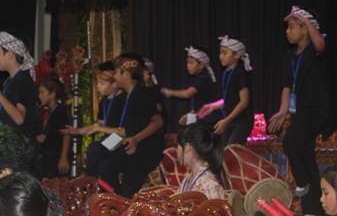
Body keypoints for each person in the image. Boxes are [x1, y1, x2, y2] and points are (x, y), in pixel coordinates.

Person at [267, 6, 329, 216]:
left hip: (315, 109)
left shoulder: (314, 51)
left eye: (292, 27)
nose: (287, 31)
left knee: (291, 139)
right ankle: (315, 207)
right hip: (300, 110)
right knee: (305, 152)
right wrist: (282, 111)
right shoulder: (289, 56)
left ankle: (302, 182)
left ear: (305, 29)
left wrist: (305, 19)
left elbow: (320, 43)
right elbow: (287, 86)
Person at [98, 53, 164, 198]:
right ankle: (120, 203)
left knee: (106, 167)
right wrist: (123, 140)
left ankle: (118, 202)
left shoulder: (141, 94)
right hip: (134, 148)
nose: (114, 77)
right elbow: (135, 127)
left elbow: (158, 121)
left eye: (116, 73)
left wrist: (136, 139)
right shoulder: (128, 96)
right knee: (125, 188)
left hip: (146, 150)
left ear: (126, 74)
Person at [62, 61, 127, 178]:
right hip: (110, 138)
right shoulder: (104, 101)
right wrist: (78, 131)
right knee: (94, 150)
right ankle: (93, 181)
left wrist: (100, 128)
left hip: (123, 137)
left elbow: (124, 128)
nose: (98, 87)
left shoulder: (123, 99)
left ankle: (90, 180)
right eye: (98, 83)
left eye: (102, 84)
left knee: (94, 149)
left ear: (113, 85)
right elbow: (99, 125)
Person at [197, 35, 254, 145]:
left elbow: (244, 102)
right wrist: (212, 106)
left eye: (224, 53)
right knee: (223, 152)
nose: (221, 56)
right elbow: (228, 99)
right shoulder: (226, 73)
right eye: (220, 53)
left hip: (242, 122)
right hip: (230, 120)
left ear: (236, 55)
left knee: (231, 150)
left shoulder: (241, 72)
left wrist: (226, 121)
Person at [0, 31, 39, 142]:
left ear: (10, 54)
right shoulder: (10, 81)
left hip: (21, 147)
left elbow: (19, 119)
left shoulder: (22, 80)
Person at [161, 46, 220, 127]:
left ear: (201, 65)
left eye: (192, 62)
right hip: (203, 118)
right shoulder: (200, 77)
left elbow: (187, 94)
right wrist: (190, 116)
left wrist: (169, 92)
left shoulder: (203, 78)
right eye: (187, 62)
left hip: (209, 120)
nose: (188, 66)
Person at [33, 78, 71, 179]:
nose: (39, 96)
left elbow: (66, 134)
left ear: (52, 94)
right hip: (49, 155)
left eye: (42, 93)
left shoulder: (60, 112)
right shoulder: (49, 112)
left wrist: (63, 158)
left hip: (56, 157)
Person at [176, 122, 224, 199]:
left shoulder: (209, 184)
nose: (176, 150)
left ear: (188, 147)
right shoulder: (188, 178)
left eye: (178, 145)